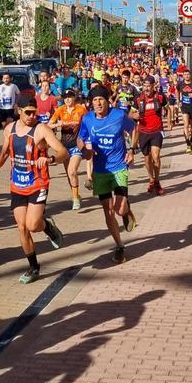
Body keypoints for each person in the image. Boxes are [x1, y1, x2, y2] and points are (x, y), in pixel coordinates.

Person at [0, 95, 68, 284]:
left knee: (33, 225)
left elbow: (63, 151)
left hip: (38, 182)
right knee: (22, 227)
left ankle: (47, 226)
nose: (32, 116)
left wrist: (50, 159)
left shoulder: (41, 129)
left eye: (35, 112)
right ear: (19, 110)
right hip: (17, 184)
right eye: (28, 113)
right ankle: (33, 267)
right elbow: (5, 151)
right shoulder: (10, 129)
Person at [77, 85, 137, 264]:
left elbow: (134, 129)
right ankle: (119, 246)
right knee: (108, 211)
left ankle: (126, 211)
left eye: (101, 99)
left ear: (107, 101)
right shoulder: (87, 119)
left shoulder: (118, 116)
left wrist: (132, 149)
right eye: (94, 100)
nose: (98, 103)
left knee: (119, 209)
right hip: (100, 170)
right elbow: (81, 138)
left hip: (118, 167)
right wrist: (83, 149)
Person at [49, 90, 89, 210]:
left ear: (74, 98)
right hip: (64, 146)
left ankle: (76, 199)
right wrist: (57, 125)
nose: (67, 99)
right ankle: (75, 194)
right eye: (65, 98)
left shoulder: (81, 109)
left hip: (77, 144)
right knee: (68, 174)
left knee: (72, 171)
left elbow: (89, 122)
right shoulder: (60, 110)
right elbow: (48, 124)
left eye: (70, 97)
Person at [131, 77, 166, 196]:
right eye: (144, 85)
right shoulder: (138, 99)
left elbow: (167, 107)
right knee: (147, 158)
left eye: (149, 85)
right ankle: (151, 179)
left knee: (156, 156)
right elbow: (130, 113)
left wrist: (170, 121)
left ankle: (157, 180)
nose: (146, 88)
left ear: (153, 86)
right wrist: (133, 116)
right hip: (143, 131)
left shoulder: (160, 97)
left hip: (157, 130)